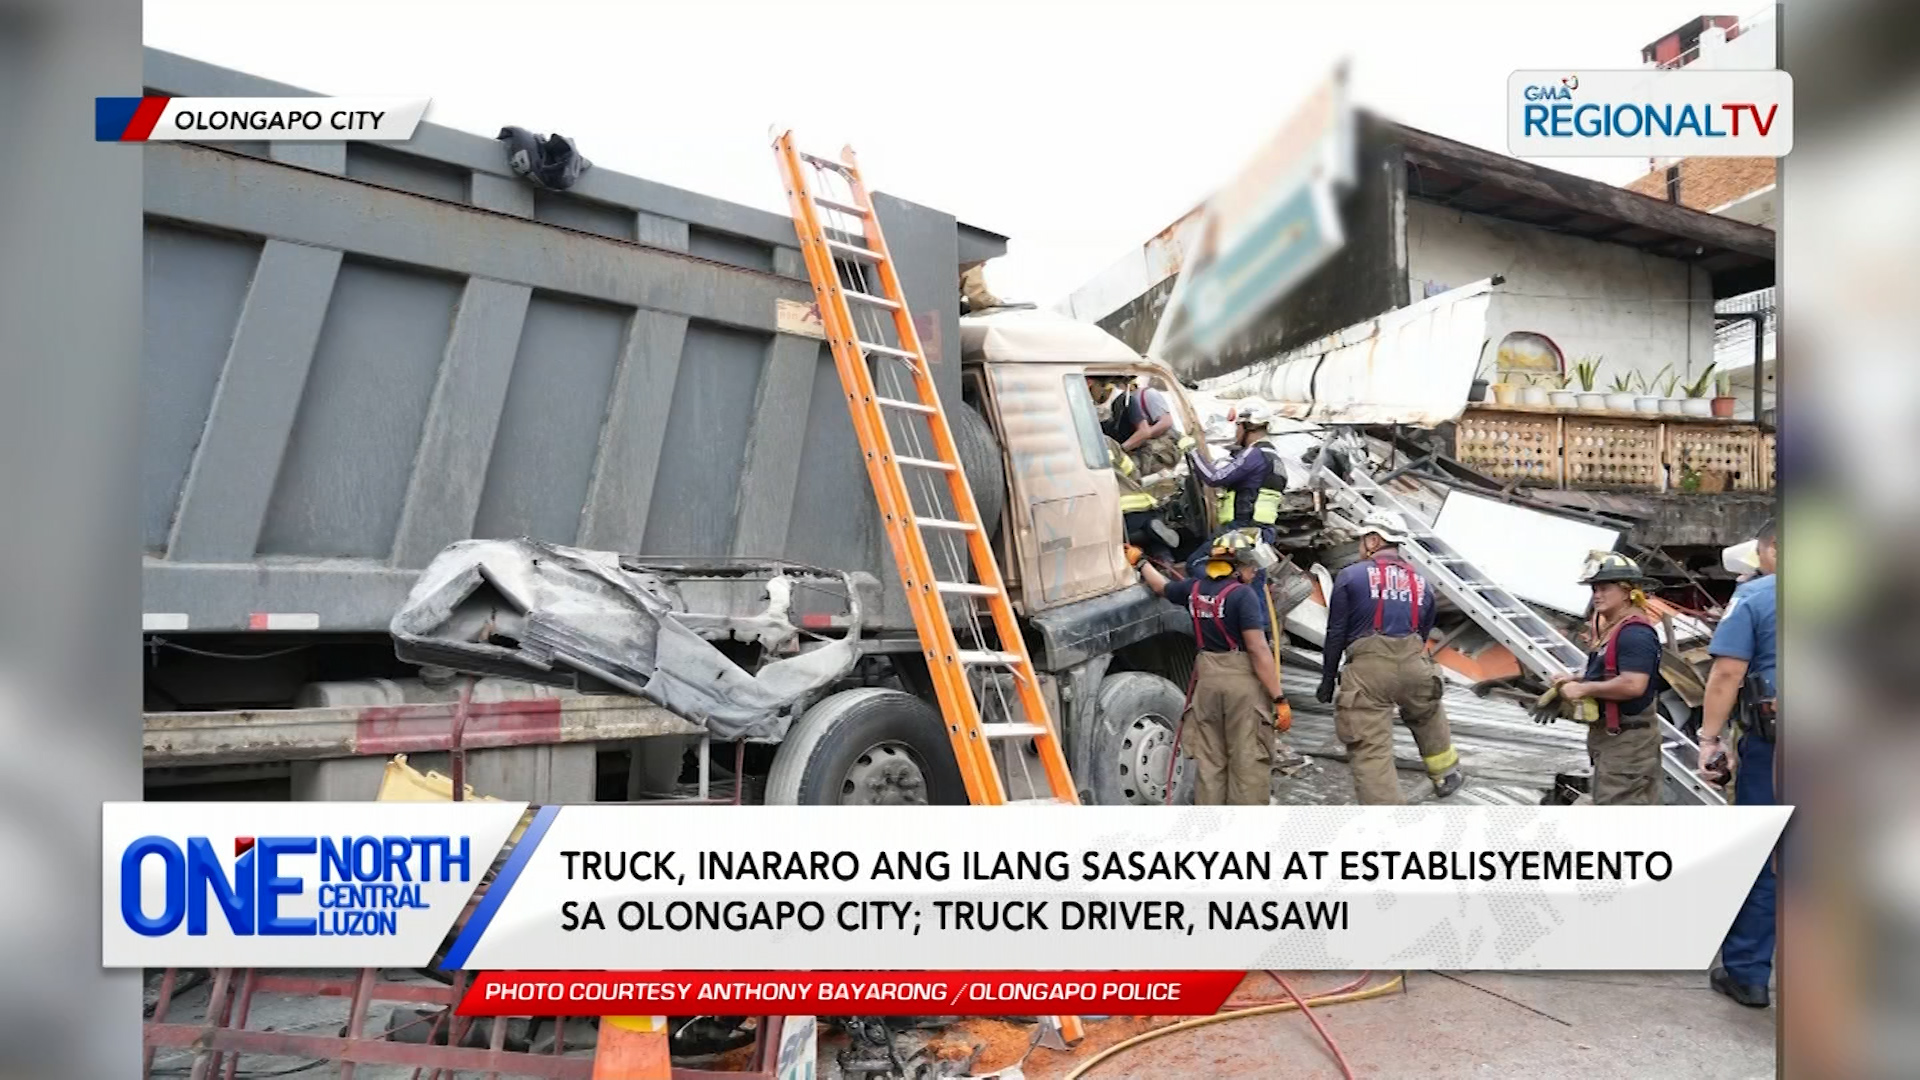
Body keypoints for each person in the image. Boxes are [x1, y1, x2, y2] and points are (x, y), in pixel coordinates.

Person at [1317, 512, 1464, 804]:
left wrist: (1328, 678)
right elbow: (1422, 634)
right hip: (1414, 664)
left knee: (1369, 748)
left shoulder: (1351, 575)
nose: (1360, 546)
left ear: (1373, 540)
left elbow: (1336, 632)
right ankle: (1446, 774)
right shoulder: (1422, 583)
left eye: (1362, 539)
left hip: (1368, 672)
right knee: (1427, 712)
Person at [1135, 532, 1285, 806]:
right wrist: (1279, 698)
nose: (1254, 571)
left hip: (1207, 683)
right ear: (1238, 566)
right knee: (1247, 758)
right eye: (1251, 565)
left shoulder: (1194, 589)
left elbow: (1161, 587)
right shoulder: (1243, 596)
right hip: (1241, 683)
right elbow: (1258, 649)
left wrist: (1140, 562)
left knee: (1210, 760)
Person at [1697, 518, 1778, 1009]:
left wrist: (1710, 739)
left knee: (1763, 857)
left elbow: (1728, 671)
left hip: (1777, 752)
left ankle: (1747, 974)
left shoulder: (1757, 597)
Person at [1551, 551, 1666, 806]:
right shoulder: (1614, 628)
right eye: (1594, 589)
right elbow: (1611, 671)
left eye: (1605, 588)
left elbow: (1633, 685)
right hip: (1612, 738)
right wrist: (1576, 679)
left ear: (1627, 591)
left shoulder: (1635, 633)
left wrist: (1583, 690)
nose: (1597, 595)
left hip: (1628, 742)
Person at [1108, 436, 1181, 561]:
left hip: (1115, 513)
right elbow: (1131, 471)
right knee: (1152, 532)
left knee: (1129, 540)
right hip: (1139, 503)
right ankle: (1166, 560)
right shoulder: (1106, 441)